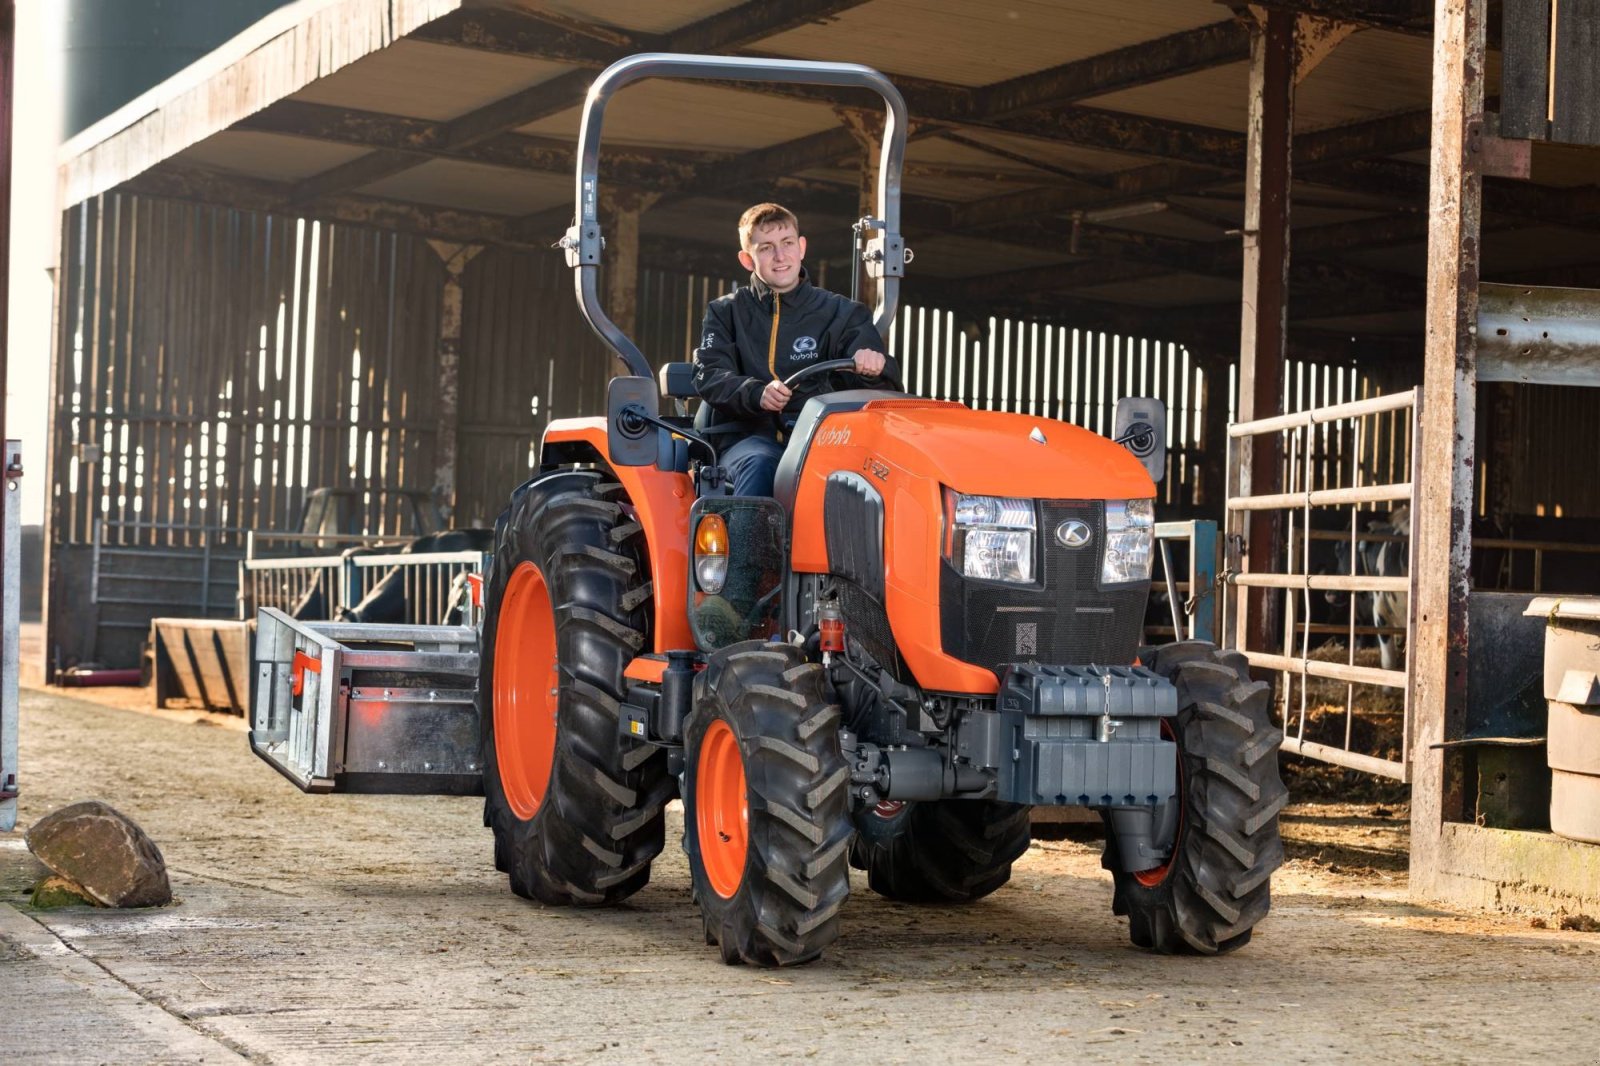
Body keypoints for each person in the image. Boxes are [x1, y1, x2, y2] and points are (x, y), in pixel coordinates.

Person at [692, 202, 899, 496]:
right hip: (750, 439)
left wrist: (872, 369)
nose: (780, 256)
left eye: (787, 243)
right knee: (761, 463)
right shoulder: (726, 312)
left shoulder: (844, 313)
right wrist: (757, 393)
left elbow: (885, 385)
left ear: (801, 247)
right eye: (765, 248)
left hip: (825, 439)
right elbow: (710, 375)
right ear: (747, 259)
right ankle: (750, 541)